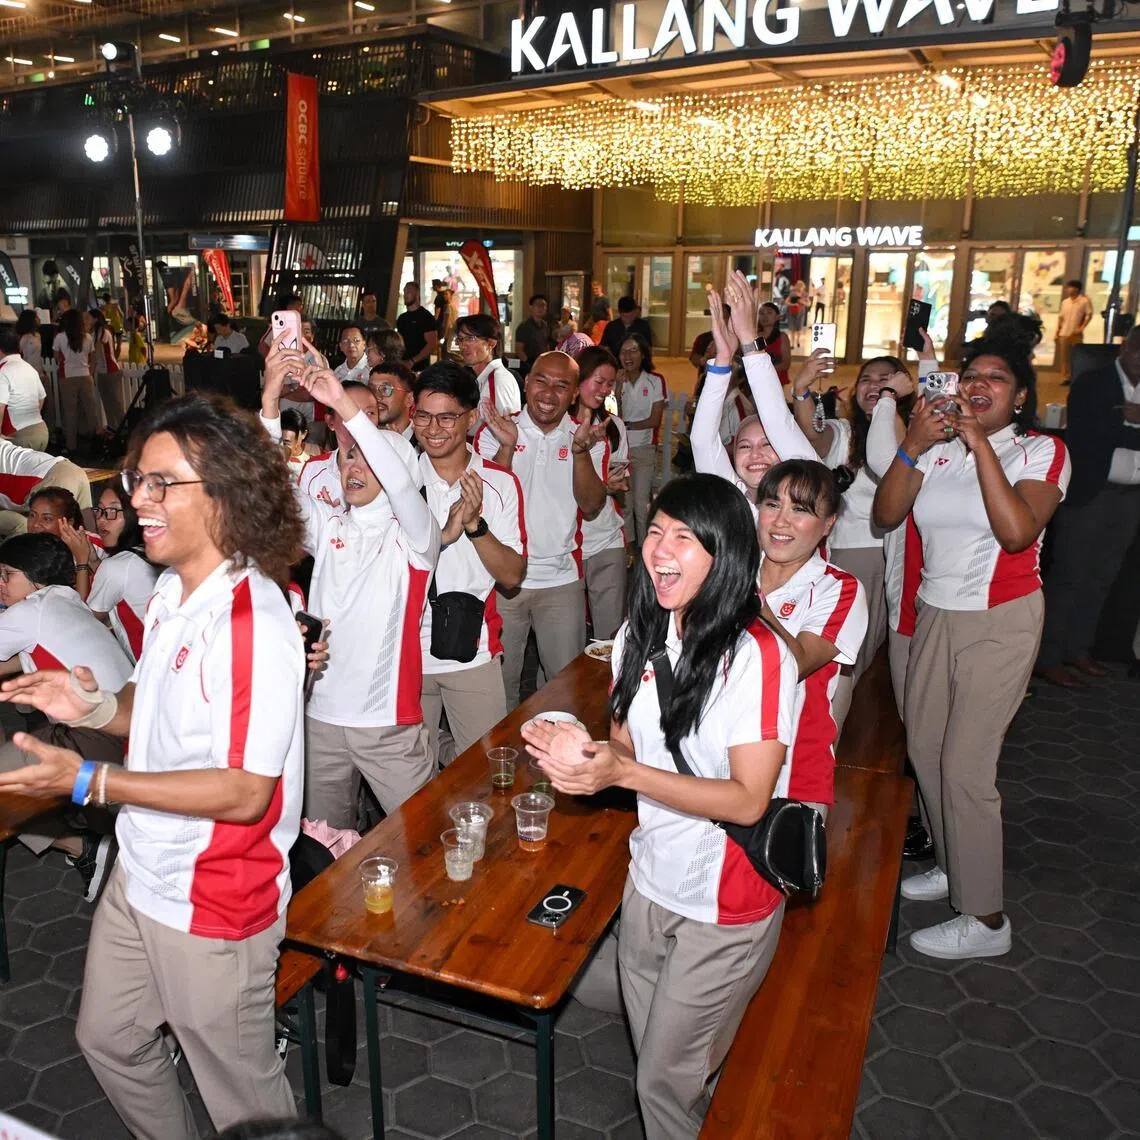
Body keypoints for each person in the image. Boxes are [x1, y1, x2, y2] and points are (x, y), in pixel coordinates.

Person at [0, 392, 307, 1139]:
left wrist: (84, 780)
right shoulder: (173, 589)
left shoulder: (253, 623)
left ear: (227, 495)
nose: (137, 498)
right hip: (145, 869)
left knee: (249, 1105)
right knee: (108, 1039)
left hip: (214, 896)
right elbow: (153, 705)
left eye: (161, 483)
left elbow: (242, 792)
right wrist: (93, 709)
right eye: (140, 479)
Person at [522, 474, 798, 1140]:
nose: (659, 549)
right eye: (654, 531)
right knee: (658, 1059)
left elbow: (748, 798)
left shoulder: (757, 655)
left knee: (662, 1083)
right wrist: (582, 757)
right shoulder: (637, 636)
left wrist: (623, 769)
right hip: (649, 879)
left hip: (726, 901)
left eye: (683, 536)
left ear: (725, 551)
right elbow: (625, 749)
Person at [873, 322, 1070, 959]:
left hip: (1001, 619)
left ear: (1018, 399)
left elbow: (1015, 532)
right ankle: (956, 864)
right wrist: (913, 443)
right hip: (935, 613)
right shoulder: (936, 447)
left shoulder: (1040, 453)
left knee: (965, 767)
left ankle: (985, 917)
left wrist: (979, 442)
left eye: (997, 378)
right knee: (926, 752)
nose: (980, 383)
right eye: (973, 374)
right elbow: (885, 515)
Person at [261, 348, 438, 825]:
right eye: (345, 459)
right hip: (319, 720)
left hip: (388, 727)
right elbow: (271, 486)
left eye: (365, 459)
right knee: (326, 851)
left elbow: (401, 486)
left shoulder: (417, 539)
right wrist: (271, 400)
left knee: (420, 843)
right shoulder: (330, 526)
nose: (352, 468)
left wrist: (341, 401)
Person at [0, 531, 133, 898]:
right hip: (123, 728)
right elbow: (9, 661)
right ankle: (90, 839)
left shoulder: (28, 612)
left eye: (7, 574)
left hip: (98, 737)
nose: (1, 584)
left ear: (33, 576)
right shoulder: (66, 599)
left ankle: (81, 845)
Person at [474, 351, 606, 710]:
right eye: (540, 381)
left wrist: (580, 452)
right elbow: (484, 503)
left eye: (561, 385)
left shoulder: (588, 436)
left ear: (575, 393)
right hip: (503, 581)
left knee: (564, 688)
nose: (548, 393)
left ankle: (552, 763)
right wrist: (506, 446)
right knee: (499, 688)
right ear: (526, 382)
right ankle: (500, 763)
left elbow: (592, 505)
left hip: (561, 580)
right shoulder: (495, 430)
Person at [412, 359, 526, 765]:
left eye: (447, 417)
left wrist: (476, 526)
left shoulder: (498, 483)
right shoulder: (398, 479)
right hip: (404, 654)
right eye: (423, 417)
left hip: (472, 653)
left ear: (472, 417)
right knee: (409, 783)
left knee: (482, 769)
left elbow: (512, 575)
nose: (434, 429)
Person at [791, 346, 916, 682]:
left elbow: (892, 463)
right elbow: (813, 436)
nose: (873, 385)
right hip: (839, 553)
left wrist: (890, 406)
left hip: (878, 554)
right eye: (866, 379)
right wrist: (801, 388)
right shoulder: (845, 432)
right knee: (835, 650)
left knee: (855, 653)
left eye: (885, 379)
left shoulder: (908, 431)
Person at [756, 461, 867, 813]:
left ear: (828, 524)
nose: (781, 521)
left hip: (792, 775)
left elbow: (798, 662)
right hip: (713, 763)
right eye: (772, 504)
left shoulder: (839, 588)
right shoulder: (728, 568)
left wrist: (750, 598)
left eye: (800, 510)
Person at [1036, 326, 1140, 687]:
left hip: (1130, 499)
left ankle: (1078, 650)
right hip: (1092, 495)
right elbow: (1088, 436)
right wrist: (1131, 422)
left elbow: (1116, 431)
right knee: (1068, 576)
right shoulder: (1093, 382)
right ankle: (1047, 657)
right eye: (1139, 352)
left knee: (1102, 579)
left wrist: (1127, 419)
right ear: (1125, 349)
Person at [575, 345, 629, 640]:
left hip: (606, 538)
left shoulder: (613, 428)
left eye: (610, 384)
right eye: (599, 381)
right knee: (567, 640)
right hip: (565, 547)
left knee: (608, 638)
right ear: (579, 377)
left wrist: (610, 486)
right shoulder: (557, 426)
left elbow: (620, 482)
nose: (604, 390)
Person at [85, 481, 160, 664]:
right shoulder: (152, 552)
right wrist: (94, 562)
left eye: (112, 511)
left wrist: (81, 562)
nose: (101, 520)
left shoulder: (116, 566)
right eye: (100, 511)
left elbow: (86, 620)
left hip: (149, 670)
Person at [616, 333, 666, 548]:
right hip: (621, 452)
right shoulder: (616, 380)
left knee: (641, 503)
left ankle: (647, 548)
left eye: (633, 350)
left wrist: (626, 425)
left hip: (644, 450)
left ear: (643, 354)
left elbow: (654, 420)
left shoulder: (654, 381)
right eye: (623, 351)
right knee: (624, 505)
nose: (627, 356)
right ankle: (628, 549)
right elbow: (612, 415)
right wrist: (617, 389)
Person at [52, 307, 100, 454]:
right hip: (85, 376)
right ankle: (96, 443)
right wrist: (89, 372)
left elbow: (56, 357)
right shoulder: (88, 337)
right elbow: (92, 358)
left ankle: (71, 446)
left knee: (69, 413)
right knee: (91, 411)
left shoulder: (60, 337)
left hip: (67, 377)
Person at [0, 323, 48, 450]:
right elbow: (41, 398)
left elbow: (0, 406)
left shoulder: (3, 371)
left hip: (19, 436)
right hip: (40, 430)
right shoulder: (28, 367)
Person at [90, 306, 124, 428]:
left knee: (115, 401)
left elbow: (98, 352)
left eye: (89, 318)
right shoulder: (94, 333)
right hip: (102, 371)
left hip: (110, 370)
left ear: (95, 319)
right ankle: (113, 427)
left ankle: (121, 426)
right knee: (108, 402)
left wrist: (92, 370)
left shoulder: (103, 333)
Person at [396, 282, 440, 371]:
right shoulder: (402, 318)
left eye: (408, 292)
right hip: (402, 366)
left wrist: (412, 361)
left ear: (417, 294)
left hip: (420, 368)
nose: (405, 295)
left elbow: (432, 344)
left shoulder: (426, 317)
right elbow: (399, 342)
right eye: (404, 292)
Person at [368, 360, 416, 443]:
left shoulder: (425, 443)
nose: (376, 396)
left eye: (386, 389)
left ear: (409, 399)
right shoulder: (361, 439)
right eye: (371, 389)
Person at [1057, 279, 1092, 384]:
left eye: (1071, 287)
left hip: (1076, 333)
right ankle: (1065, 377)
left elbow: (1088, 315)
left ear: (1077, 289)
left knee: (1076, 356)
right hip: (1064, 332)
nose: (1069, 289)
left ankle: (1075, 376)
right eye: (1068, 287)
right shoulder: (1065, 302)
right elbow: (1061, 317)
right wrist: (1057, 331)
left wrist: (1081, 328)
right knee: (1064, 357)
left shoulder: (1084, 301)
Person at [514, 294, 554, 377]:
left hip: (542, 364)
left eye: (543, 305)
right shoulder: (524, 326)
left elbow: (546, 344)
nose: (540, 308)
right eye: (537, 305)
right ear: (531, 307)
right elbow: (519, 350)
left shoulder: (545, 325)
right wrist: (530, 367)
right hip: (528, 366)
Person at [279, 408, 320, 483]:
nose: (283, 447)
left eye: (287, 442)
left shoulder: (317, 452)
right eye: (281, 441)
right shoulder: (274, 456)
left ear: (303, 434)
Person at [755, 302, 792, 385]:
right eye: (761, 313)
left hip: (776, 380)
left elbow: (786, 364)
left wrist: (764, 370)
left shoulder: (782, 337)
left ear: (777, 317)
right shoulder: (754, 336)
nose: (765, 316)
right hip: (757, 380)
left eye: (769, 312)